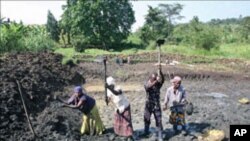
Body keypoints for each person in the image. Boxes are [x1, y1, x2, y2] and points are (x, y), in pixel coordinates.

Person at [143, 65, 164, 140]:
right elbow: (148, 88)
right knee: (146, 119)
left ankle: (160, 135)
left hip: (156, 105)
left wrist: (160, 72)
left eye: (155, 78)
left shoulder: (158, 85)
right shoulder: (147, 84)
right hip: (148, 105)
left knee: (159, 120)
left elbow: (163, 80)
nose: (154, 80)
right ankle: (146, 132)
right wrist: (156, 81)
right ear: (150, 79)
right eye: (153, 79)